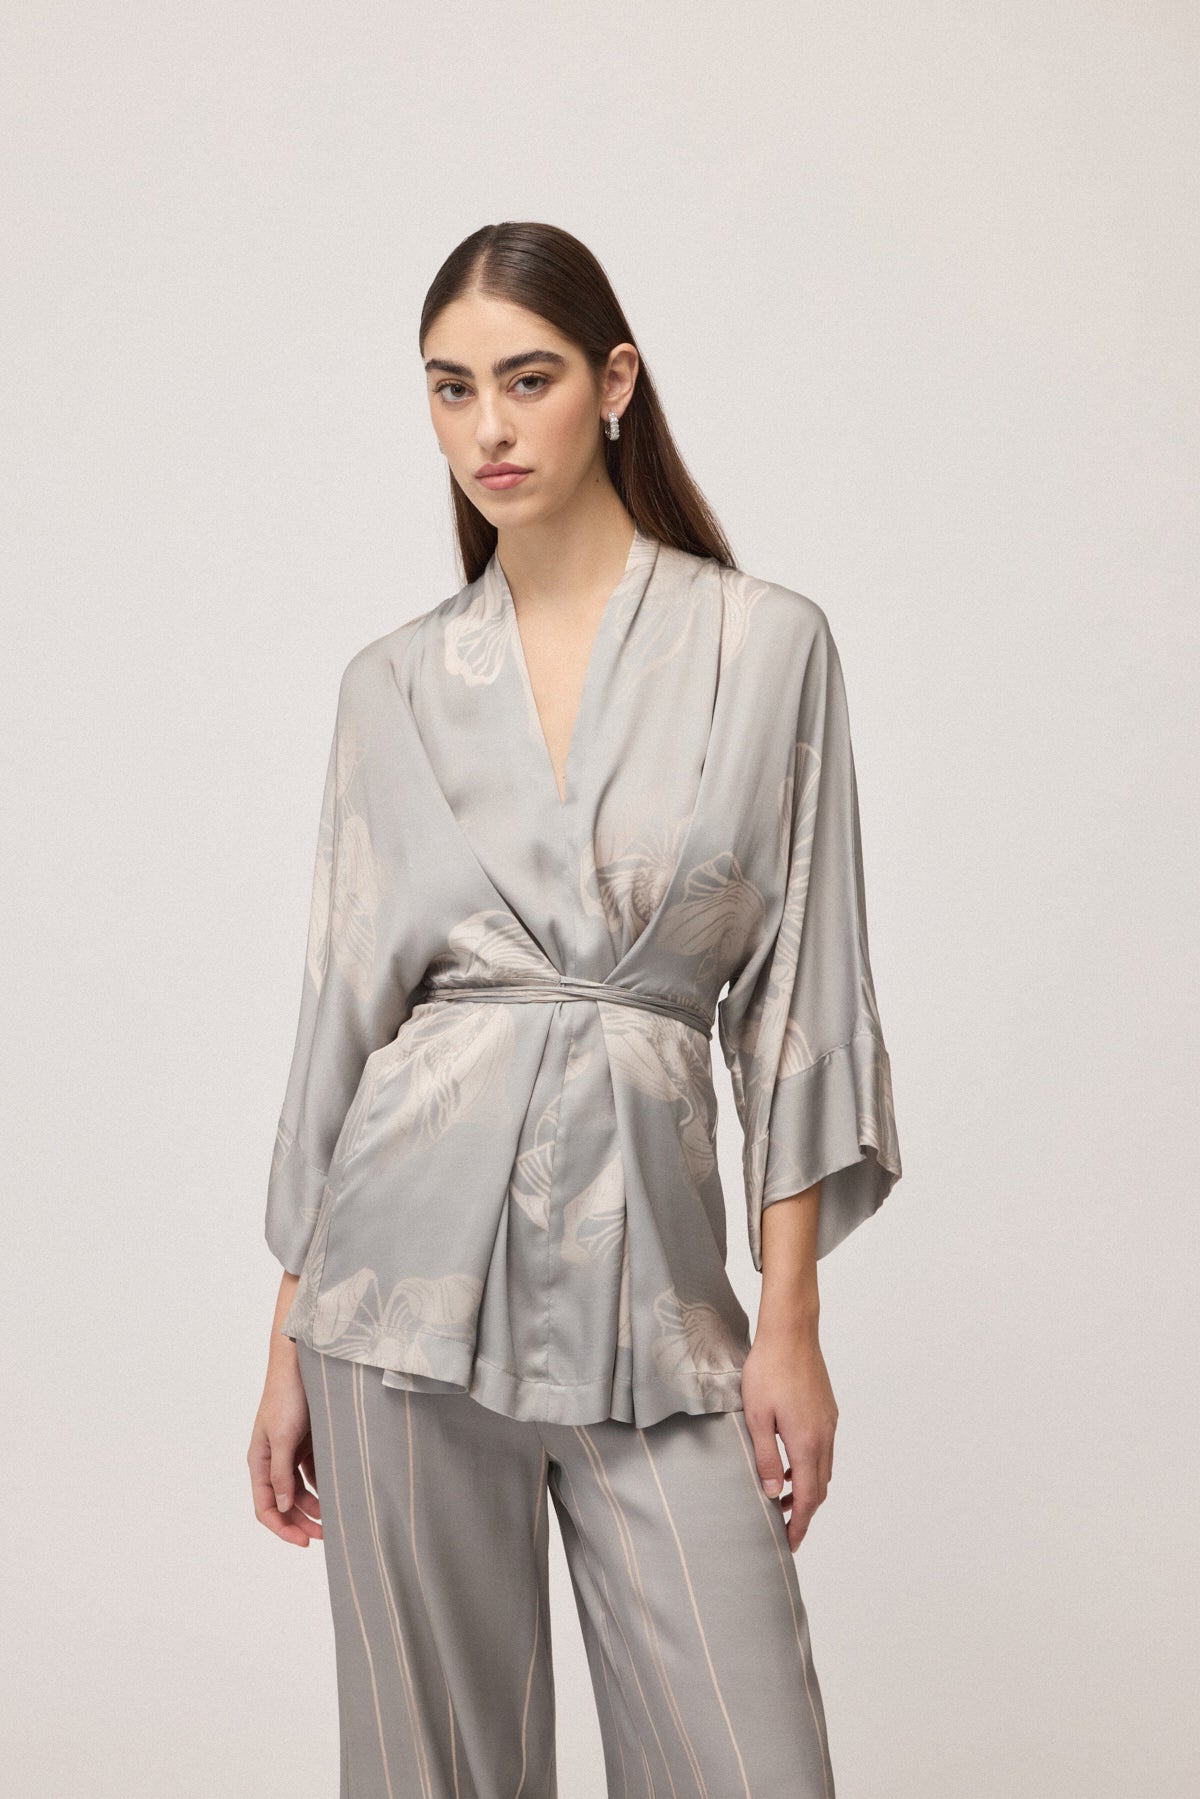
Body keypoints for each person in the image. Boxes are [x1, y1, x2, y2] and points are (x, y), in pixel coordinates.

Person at [247, 220, 902, 1798]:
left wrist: (791, 1326)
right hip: (394, 1295)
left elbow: (800, 1000)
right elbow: (345, 1019)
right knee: (434, 1772)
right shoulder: (392, 686)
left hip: (658, 1300)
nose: (487, 427)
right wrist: (283, 1344)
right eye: (450, 388)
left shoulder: (765, 648)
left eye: (526, 380)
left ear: (614, 384)